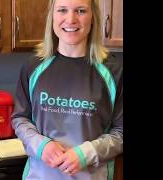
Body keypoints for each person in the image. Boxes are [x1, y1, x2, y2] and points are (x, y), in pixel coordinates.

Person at [11, 0, 122, 179]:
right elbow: (20, 118)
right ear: (52, 17)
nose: (70, 19)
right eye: (62, 10)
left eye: (80, 11)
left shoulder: (114, 72)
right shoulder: (32, 67)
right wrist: (41, 145)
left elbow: (121, 132)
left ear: (93, 17)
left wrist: (85, 154)